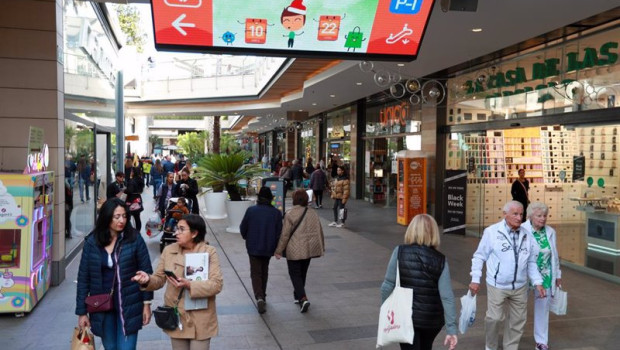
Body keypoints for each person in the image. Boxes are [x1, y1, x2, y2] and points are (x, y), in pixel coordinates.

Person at [132, 214, 223, 350]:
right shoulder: (169, 250)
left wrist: (189, 285)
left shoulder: (209, 252)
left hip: (201, 317)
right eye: (176, 229)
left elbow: (216, 284)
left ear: (194, 233)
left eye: (181, 229)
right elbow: (159, 279)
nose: (176, 233)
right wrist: (147, 280)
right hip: (177, 316)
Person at [76, 198, 153, 349]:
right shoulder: (92, 242)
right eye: (117, 217)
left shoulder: (134, 239)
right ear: (106, 217)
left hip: (129, 303)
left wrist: (146, 304)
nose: (122, 220)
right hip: (102, 305)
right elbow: (84, 278)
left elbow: (146, 273)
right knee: (110, 347)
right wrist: (82, 312)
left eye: (124, 216)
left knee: (127, 347)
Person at [469, 200, 546, 350]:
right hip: (497, 284)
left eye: (521, 214)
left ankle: (510, 347)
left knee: (517, 321)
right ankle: (490, 346)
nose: (519, 218)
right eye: (515, 214)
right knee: (494, 318)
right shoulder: (492, 232)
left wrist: (538, 282)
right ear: (505, 214)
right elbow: (479, 256)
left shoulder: (527, 235)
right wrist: (475, 279)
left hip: (520, 286)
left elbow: (531, 261)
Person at [380, 214, 458, 350]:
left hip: (406, 318)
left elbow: (387, 286)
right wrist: (451, 329)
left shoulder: (399, 252)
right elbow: (447, 297)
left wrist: (385, 311)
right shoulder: (440, 260)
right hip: (432, 320)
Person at [274, 190, 325, 313]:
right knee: (302, 273)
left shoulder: (290, 214)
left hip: (294, 249)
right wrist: (321, 247)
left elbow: (285, 235)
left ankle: (303, 298)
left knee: (295, 273)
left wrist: (278, 250)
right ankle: (298, 296)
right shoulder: (312, 213)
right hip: (309, 248)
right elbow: (319, 230)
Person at [521, 202, 562, 350]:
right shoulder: (522, 229)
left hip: (545, 276)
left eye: (545, 215)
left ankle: (541, 342)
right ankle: (511, 339)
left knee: (542, 311)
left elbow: (555, 255)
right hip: (525, 276)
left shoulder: (550, 231)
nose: (543, 219)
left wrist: (557, 274)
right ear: (531, 216)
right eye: (539, 216)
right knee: (518, 310)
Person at [239, 187, 283, 314]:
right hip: (268, 247)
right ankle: (263, 294)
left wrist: (246, 237)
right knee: (264, 270)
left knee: (255, 272)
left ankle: (259, 296)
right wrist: (276, 247)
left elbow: (243, 228)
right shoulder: (276, 213)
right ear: (270, 199)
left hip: (253, 246)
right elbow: (279, 232)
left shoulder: (251, 211)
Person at [126, 167, 145, 232]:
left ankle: (129, 231)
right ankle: (138, 231)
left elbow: (129, 190)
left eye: (131, 171)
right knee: (137, 217)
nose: (130, 173)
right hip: (138, 198)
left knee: (127, 216)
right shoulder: (141, 179)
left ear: (133, 172)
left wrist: (124, 190)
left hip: (131, 199)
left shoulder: (132, 181)